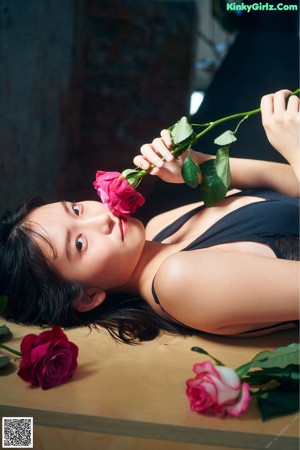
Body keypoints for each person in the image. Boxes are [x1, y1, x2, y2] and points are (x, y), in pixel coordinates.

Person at [0, 90, 299, 343]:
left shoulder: (161, 228)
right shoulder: (179, 281)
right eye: (79, 244)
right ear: (87, 296)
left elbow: (293, 188)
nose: (100, 218)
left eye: (76, 209)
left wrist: (198, 167)